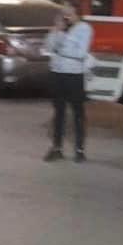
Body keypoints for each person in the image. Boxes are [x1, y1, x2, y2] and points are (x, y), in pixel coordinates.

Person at [42, 11, 94, 163]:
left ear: (77, 14)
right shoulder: (59, 29)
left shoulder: (84, 28)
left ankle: (80, 150)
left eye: (69, 14)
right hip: (57, 72)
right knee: (59, 112)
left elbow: (81, 53)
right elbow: (48, 47)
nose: (66, 17)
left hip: (74, 74)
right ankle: (57, 148)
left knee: (78, 113)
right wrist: (56, 31)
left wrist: (61, 46)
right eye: (64, 14)